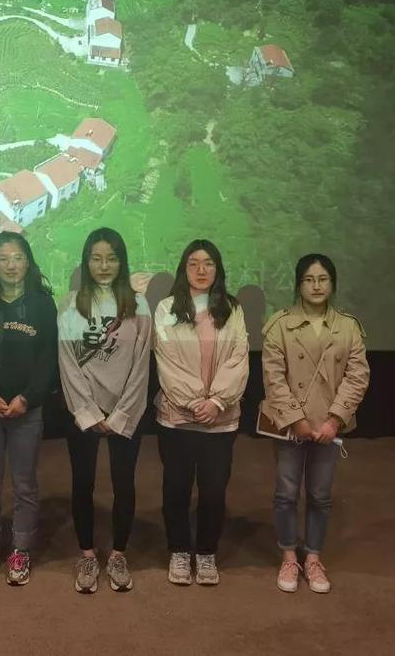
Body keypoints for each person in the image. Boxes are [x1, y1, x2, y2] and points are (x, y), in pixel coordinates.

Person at [260, 254, 370, 594]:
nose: (317, 286)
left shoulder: (348, 327)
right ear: (299, 284)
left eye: (323, 279)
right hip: (291, 425)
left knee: (320, 495)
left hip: (327, 426)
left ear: (332, 284)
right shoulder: (280, 325)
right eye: (309, 279)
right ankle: (289, 556)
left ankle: (313, 558)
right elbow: (274, 377)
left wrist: (335, 420)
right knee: (286, 493)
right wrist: (297, 420)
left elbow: (357, 375)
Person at [58, 228, 151, 593]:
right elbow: (67, 363)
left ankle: (118, 554)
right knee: (82, 482)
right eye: (96, 259)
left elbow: (141, 365)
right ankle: (87, 554)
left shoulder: (138, 305)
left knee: (123, 483)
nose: (103, 266)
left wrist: (121, 413)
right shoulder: (70, 305)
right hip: (84, 410)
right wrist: (89, 412)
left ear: (121, 262)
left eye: (111, 258)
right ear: (86, 262)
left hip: (125, 409)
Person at [0, 232, 58, 586]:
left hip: (26, 410)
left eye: (17, 258)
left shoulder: (43, 305)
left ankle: (20, 549)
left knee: (24, 483)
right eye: (3, 258)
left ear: (28, 262)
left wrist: (27, 398)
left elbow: (48, 360)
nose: (11, 265)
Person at [153, 239, 248, 586]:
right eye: (193, 263)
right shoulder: (166, 309)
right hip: (177, 418)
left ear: (217, 269)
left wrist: (217, 402)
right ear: (183, 269)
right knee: (176, 487)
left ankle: (206, 552)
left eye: (208, 263)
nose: (201, 270)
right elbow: (166, 360)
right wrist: (194, 402)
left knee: (213, 490)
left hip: (220, 420)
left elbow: (239, 357)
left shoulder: (232, 309)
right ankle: (179, 549)